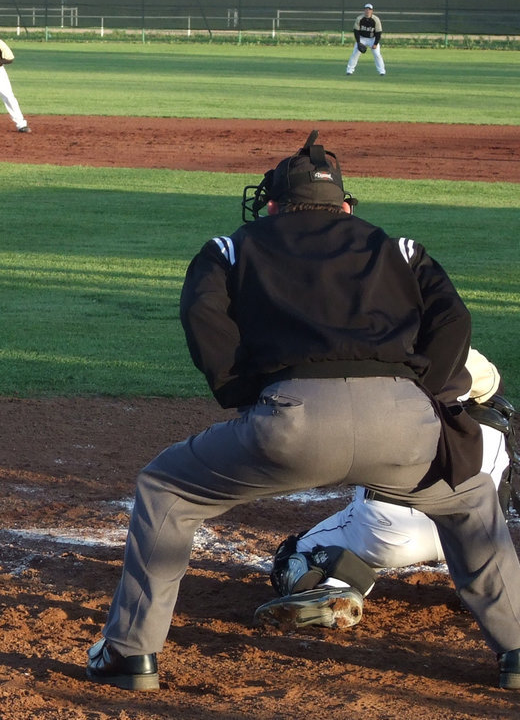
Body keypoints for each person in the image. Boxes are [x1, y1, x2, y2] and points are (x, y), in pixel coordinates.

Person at [85, 130, 520, 691]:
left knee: (166, 489)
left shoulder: (231, 248)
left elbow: (203, 316)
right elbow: (454, 319)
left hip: (291, 422)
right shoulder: (401, 248)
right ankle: (516, 651)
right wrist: (425, 391)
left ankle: (130, 654)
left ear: (272, 206)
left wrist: (245, 391)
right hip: (405, 425)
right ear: (344, 206)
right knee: (471, 501)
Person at [256, 348, 517, 629]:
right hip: (477, 532)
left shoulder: (366, 365)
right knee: (490, 426)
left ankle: (336, 586)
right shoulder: (461, 360)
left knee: (294, 555)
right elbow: (490, 385)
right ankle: (487, 587)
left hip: (390, 530)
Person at [346, 3, 386, 76]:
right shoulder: (359, 18)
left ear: (372, 11)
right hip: (362, 38)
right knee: (355, 53)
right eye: (366, 9)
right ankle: (349, 70)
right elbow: (356, 31)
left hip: (372, 39)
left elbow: (378, 33)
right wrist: (358, 42)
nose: (368, 11)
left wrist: (375, 43)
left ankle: (382, 71)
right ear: (364, 10)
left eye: (369, 9)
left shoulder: (376, 19)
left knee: (377, 54)